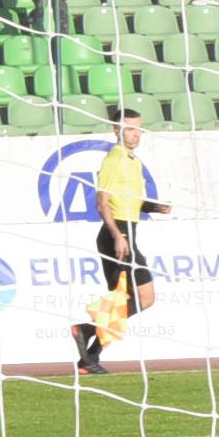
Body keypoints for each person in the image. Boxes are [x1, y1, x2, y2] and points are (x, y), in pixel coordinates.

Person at [71, 109, 171, 376]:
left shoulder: (133, 161)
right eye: (129, 129)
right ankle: (88, 341)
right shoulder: (114, 160)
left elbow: (129, 201)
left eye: (139, 129)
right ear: (117, 130)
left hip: (128, 234)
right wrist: (117, 236)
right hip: (118, 236)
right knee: (140, 298)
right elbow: (102, 202)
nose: (136, 134)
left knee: (131, 300)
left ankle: (88, 354)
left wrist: (153, 206)